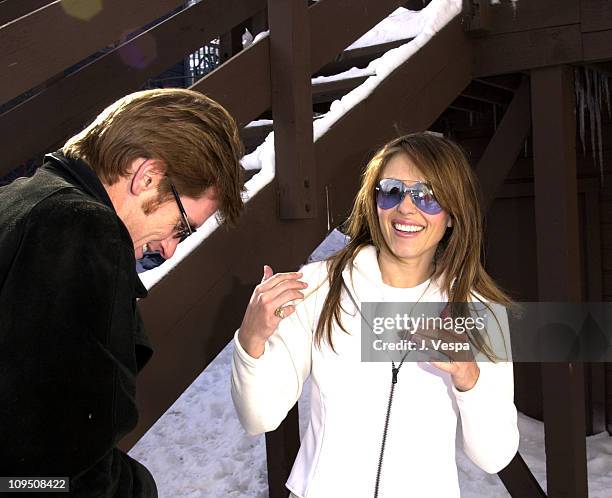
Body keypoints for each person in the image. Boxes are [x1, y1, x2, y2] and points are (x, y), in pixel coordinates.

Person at [231, 133, 519, 497]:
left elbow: (495, 456)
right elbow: (259, 417)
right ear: (373, 201)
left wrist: (469, 376)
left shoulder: (477, 311)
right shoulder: (319, 287)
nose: (407, 208)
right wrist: (251, 340)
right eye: (392, 191)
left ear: (452, 215)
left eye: (428, 196)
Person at [0, 88, 244, 497]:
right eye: (181, 227)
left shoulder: (19, 202)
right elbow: (54, 461)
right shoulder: (80, 228)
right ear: (147, 176)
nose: (168, 249)